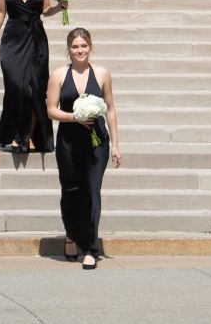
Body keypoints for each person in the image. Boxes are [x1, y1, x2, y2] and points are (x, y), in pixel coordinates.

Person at [46, 27, 122, 269]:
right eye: (75, 46)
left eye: (84, 46)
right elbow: (51, 110)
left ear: (90, 47)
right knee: (71, 191)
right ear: (68, 49)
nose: (80, 50)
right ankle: (71, 234)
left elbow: (110, 108)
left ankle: (90, 248)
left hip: (97, 142)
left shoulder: (102, 73)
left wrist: (116, 144)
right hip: (69, 142)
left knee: (92, 191)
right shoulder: (58, 74)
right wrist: (74, 117)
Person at [0, 0, 62, 154]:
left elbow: (45, 9)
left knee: (34, 89)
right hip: (13, 39)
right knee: (15, 86)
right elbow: (0, 11)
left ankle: (27, 137)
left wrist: (59, 7)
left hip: (36, 39)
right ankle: (14, 133)